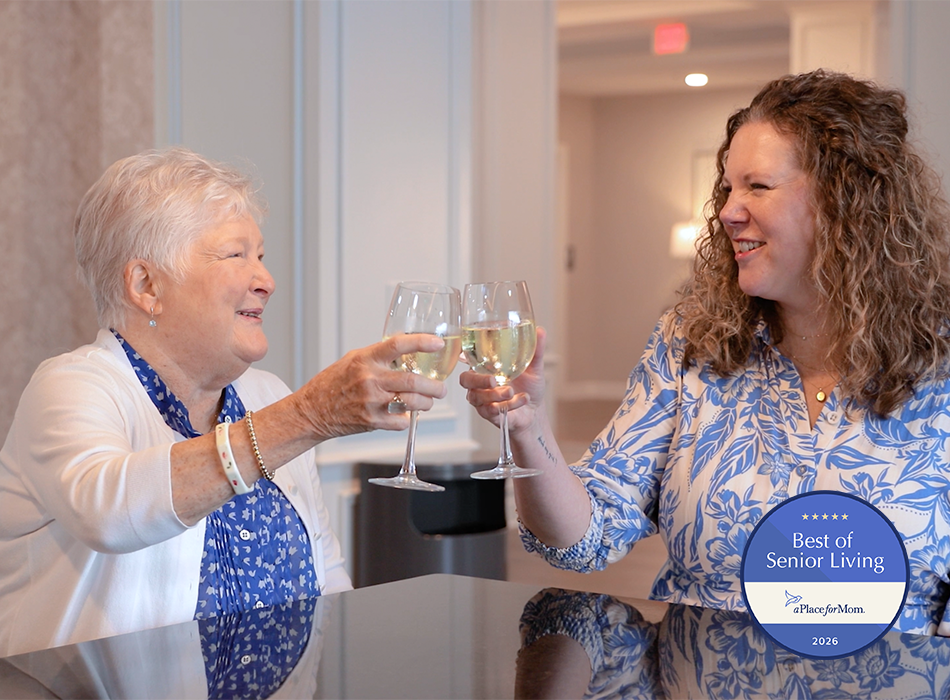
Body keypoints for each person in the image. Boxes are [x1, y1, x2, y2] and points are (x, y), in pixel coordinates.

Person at [461, 69, 950, 636]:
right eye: (727, 188)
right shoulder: (691, 344)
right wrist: (527, 428)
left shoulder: (938, 362)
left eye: (757, 187)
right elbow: (583, 539)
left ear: (848, 203)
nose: (728, 211)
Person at [0, 147, 448, 657]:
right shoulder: (71, 386)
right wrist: (308, 416)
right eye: (237, 255)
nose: (266, 280)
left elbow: (326, 577)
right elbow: (109, 511)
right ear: (146, 285)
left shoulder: (267, 395)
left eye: (261, 255)